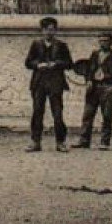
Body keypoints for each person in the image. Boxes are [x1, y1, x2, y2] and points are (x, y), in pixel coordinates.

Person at [24, 17, 73, 153]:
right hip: (39, 82)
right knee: (37, 112)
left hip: (55, 82)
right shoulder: (35, 44)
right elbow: (28, 62)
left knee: (57, 113)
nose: (48, 32)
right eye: (46, 29)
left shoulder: (62, 46)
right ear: (42, 30)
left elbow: (69, 63)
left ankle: (60, 142)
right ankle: (35, 142)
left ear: (55, 30)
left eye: (51, 29)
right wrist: (38, 65)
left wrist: (56, 64)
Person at [76, 32, 112, 151]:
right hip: (93, 88)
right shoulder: (94, 55)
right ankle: (84, 141)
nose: (103, 43)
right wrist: (89, 80)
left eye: (105, 40)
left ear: (111, 42)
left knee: (107, 116)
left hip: (108, 88)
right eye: (101, 40)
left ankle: (104, 142)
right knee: (87, 115)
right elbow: (89, 70)